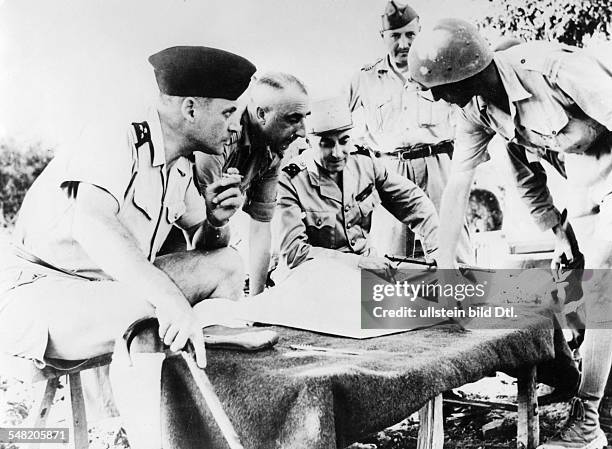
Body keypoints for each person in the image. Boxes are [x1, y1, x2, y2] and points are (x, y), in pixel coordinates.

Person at [0, 45, 256, 447]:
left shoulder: (180, 163)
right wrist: (170, 299)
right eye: (227, 113)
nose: (235, 126)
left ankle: (216, 422)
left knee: (227, 264)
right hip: (37, 292)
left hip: (102, 291)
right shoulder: (116, 131)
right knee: (152, 306)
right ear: (190, 109)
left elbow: (205, 246)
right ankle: (157, 439)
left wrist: (216, 222)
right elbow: (92, 222)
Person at [408, 18, 612, 449]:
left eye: (443, 85)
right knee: (583, 283)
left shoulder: (553, 69)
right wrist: (446, 266)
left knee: (604, 277)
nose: (438, 97)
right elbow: (464, 184)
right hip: (587, 184)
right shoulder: (475, 110)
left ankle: (587, 423)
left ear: (471, 70)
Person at [348, 0, 471, 261]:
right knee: (390, 257)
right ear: (382, 37)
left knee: (452, 247)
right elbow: (335, 121)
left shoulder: (439, 70)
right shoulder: (364, 79)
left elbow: (469, 116)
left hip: (438, 166)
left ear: (420, 33)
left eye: (410, 35)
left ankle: (466, 301)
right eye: (394, 36)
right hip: (390, 171)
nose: (403, 44)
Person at [276, 96, 439, 276]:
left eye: (344, 141)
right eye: (326, 144)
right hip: (317, 278)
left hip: (368, 271)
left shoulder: (365, 163)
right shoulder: (290, 180)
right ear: (308, 142)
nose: (337, 153)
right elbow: (294, 253)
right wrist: (359, 263)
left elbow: (415, 204)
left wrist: (438, 251)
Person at [195, 72, 310, 295]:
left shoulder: (273, 148)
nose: (304, 132)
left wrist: (258, 305)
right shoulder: (221, 133)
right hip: (173, 235)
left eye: (305, 117)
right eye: (293, 119)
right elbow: (199, 229)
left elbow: (261, 227)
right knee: (226, 267)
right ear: (261, 114)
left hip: (209, 233)